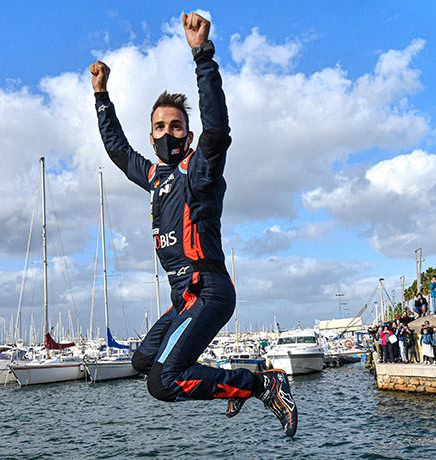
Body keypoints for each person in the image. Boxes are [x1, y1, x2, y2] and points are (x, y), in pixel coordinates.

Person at [91, 12, 296, 436]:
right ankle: (232, 387)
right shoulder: (154, 177)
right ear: (152, 136)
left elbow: (217, 130)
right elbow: (117, 150)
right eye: (160, 127)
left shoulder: (197, 170)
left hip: (209, 289)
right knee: (142, 361)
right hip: (183, 298)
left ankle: (261, 383)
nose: (168, 132)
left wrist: (202, 55)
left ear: (187, 133)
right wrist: (101, 96)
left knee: (163, 383)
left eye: (176, 126)